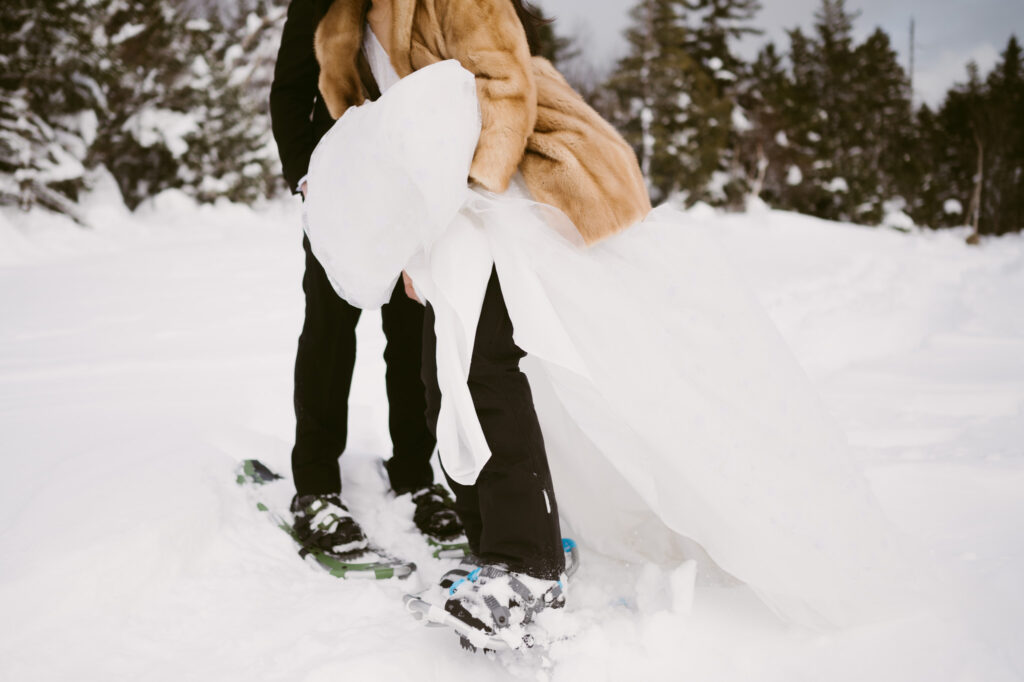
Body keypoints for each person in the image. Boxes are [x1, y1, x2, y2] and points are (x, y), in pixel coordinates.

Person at [303, 0, 917, 645]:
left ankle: (527, 566)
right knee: (441, 377)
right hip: (445, 215)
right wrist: (409, 234)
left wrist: (469, 196)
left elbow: (504, 86)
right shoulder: (340, 23)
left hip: (515, 189)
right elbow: (380, 148)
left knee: (485, 369)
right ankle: (493, 551)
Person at [268, 0, 463, 557]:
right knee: (329, 337)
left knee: (413, 343)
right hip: (342, 192)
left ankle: (416, 479)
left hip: (416, 198)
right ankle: (315, 488)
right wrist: (308, 178)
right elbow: (290, 90)